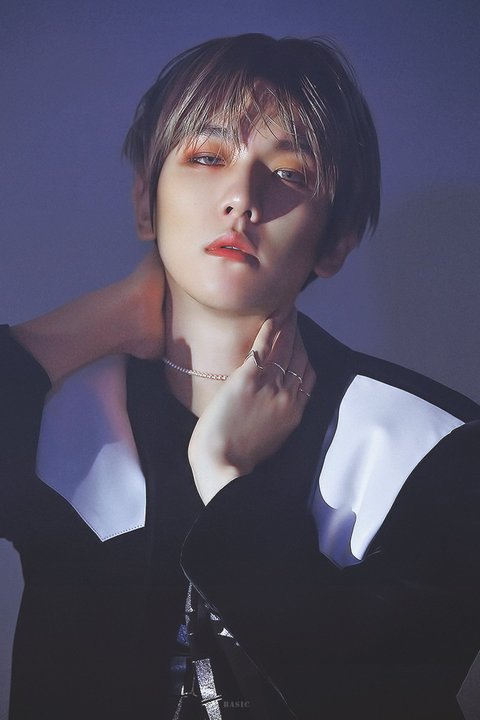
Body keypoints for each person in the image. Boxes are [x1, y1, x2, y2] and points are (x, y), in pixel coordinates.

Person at [1, 33, 479, 720]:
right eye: (206, 157)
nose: (241, 197)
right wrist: (102, 318)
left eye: (290, 174)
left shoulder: (433, 446)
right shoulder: (63, 411)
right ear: (145, 204)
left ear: (336, 242)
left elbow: (387, 697)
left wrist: (227, 478)